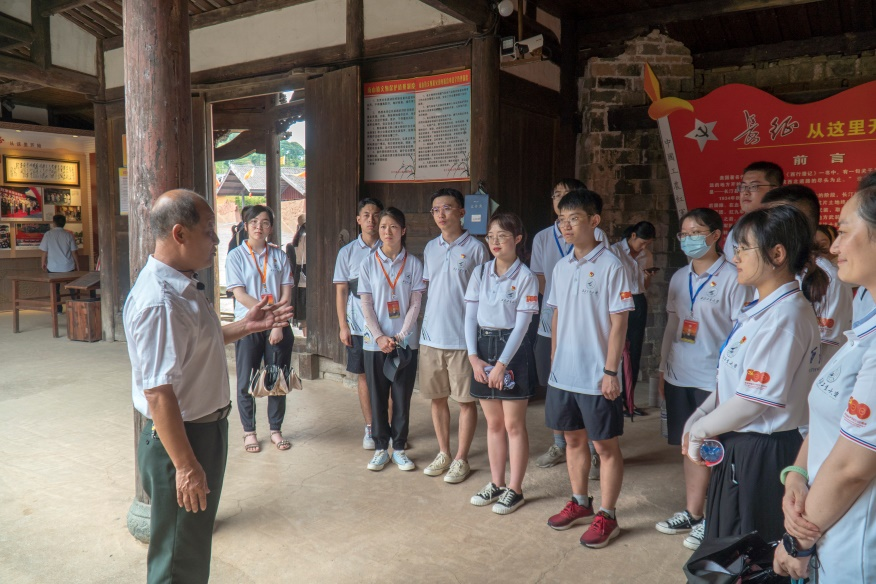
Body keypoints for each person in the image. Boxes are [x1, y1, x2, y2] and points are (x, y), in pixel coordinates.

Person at [124, 189, 292, 584]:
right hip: (182, 439)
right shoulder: (160, 301)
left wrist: (245, 326)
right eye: (209, 231)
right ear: (179, 234)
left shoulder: (183, 285)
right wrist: (185, 466)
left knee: (191, 546)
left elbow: (198, 346)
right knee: (178, 558)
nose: (217, 240)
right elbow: (158, 393)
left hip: (201, 431)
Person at [683, 204, 826, 545]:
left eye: (744, 248)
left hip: (763, 450)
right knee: (727, 545)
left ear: (777, 254)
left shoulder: (786, 316)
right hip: (741, 444)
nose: (735, 258)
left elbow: (753, 401)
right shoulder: (762, 311)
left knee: (749, 551)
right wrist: (701, 414)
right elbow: (734, 382)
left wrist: (701, 430)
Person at [774, 186, 876, 582]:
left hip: (856, 548)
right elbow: (830, 420)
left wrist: (797, 541)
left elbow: (853, 466)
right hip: (827, 526)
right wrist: (796, 474)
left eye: (845, 232)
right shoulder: (864, 321)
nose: (834, 247)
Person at [654, 208, 751, 551]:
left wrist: (730, 377)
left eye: (696, 232)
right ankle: (693, 513)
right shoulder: (679, 277)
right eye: (684, 233)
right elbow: (672, 324)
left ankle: (714, 517)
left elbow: (741, 332)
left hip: (715, 380)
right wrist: (663, 368)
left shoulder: (732, 277)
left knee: (716, 448)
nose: (689, 239)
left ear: (716, 235)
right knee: (690, 445)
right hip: (681, 373)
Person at [544, 188, 634, 549]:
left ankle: (608, 515)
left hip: (597, 376)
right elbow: (556, 316)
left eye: (574, 219)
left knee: (605, 446)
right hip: (564, 374)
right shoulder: (561, 266)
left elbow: (619, 323)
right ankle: (580, 502)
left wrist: (611, 372)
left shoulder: (612, 265)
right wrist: (554, 360)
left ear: (594, 221)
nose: (566, 226)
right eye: (561, 220)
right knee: (572, 439)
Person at [465, 211, 539, 514]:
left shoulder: (526, 277)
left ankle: (515, 489)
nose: (495, 242)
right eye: (491, 236)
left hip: (513, 350)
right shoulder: (480, 272)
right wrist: (473, 358)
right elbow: (470, 317)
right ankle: (496, 483)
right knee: (493, 424)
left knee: (513, 425)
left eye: (503, 236)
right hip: (482, 346)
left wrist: (501, 364)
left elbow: (522, 327)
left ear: (517, 239)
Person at [532, 179, 608, 473]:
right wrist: (560, 307)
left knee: (588, 387)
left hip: (586, 325)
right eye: (556, 195)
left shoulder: (597, 235)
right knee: (555, 382)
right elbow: (541, 278)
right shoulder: (542, 237)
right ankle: (559, 443)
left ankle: (593, 447)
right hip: (554, 318)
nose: (559, 199)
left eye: (567, 195)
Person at [419, 188, 487, 484]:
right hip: (431, 337)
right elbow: (427, 289)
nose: (441, 214)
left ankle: (461, 458)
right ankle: (444, 452)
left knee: (466, 401)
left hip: (462, 340)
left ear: (462, 212)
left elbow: (483, 294)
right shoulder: (430, 248)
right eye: (435, 210)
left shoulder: (477, 249)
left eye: (447, 208)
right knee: (437, 399)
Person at [359, 207, 426, 471]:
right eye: (383, 226)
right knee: (377, 397)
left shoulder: (414, 264)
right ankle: (380, 448)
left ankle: (398, 448)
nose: (388, 231)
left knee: (401, 397)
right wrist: (379, 337)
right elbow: (366, 304)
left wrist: (399, 336)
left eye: (394, 227)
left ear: (403, 231)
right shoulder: (368, 264)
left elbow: (415, 304)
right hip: (374, 344)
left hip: (404, 343)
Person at [226, 204, 296, 453]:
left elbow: (286, 293)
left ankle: (275, 430)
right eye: (254, 222)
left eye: (265, 222)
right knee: (246, 380)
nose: (259, 227)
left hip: (278, 326)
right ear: (245, 226)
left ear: (271, 228)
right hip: (247, 325)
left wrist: (277, 324)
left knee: (276, 378)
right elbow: (240, 294)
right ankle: (249, 432)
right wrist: (268, 315)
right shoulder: (236, 256)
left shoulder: (279, 256)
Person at [762, 185, 853, 364]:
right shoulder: (769, 268)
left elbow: (822, 352)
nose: (763, 229)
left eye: (773, 220)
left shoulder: (829, 278)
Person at [333, 198, 384, 449]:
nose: (371, 220)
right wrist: (343, 325)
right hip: (357, 325)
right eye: (366, 215)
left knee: (389, 376)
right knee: (363, 375)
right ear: (358, 220)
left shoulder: (390, 248)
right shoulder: (347, 252)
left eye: (376, 215)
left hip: (387, 326)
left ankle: (389, 427)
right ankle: (371, 427)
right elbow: (341, 290)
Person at [611, 221, 656, 416]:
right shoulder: (614, 252)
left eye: (648, 244)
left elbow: (645, 286)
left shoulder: (647, 255)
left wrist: (647, 276)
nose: (644, 247)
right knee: (618, 350)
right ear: (633, 236)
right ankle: (615, 399)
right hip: (619, 303)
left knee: (635, 351)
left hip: (638, 301)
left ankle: (629, 400)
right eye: (642, 242)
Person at [724, 161, 784, 253]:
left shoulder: (785, 228)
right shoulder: (736, 228)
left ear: (774, 191)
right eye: (743, 186)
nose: (746, 192)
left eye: (753, 186)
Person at [40, 214, 80, 312]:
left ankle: (58, 309)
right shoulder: (68, 235)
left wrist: (43, 262)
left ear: (54, 223)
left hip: (53, 267)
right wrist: (77, 264)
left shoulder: (48, 234)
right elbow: (74, 252)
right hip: (68, 266)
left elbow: (44, 251)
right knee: (73, 288)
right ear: (64, 223)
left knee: (55, 289)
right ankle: (77, 307)